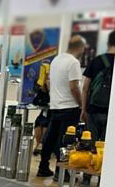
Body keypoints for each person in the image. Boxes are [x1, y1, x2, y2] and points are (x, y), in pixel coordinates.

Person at [37, 36, 86, 178]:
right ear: (80, 48)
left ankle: (43, 167)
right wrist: (81, 104)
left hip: (55, 106)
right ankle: (61, 172)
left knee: (50, 139)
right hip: (69, 107)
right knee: (66, 141)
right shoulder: (73, 62)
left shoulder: (56, 60)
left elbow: (50, 82)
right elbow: (74, 87)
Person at [81, 29, 115, 142]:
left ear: (108, 43)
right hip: (113, 111)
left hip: (93, 110)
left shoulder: (96, 61)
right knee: (107, 145)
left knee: (91, 144)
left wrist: (83, 109)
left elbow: (85, 88)